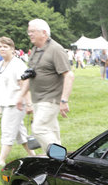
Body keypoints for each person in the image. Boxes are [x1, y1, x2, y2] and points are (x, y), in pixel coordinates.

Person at [14, 19, 74, 153]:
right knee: (51, 130)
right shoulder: (36, 50)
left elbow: (69, 75)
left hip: (50, 98)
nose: (29, 34)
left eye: (32, 31)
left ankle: (60, 156)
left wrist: (64, 100)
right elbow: (31, 75)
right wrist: (21, 96)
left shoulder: (55, 49)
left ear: (44, 33)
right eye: (28, 31)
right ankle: (55, 161)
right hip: (37, 99)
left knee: (39, 128)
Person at [0, 37, 36, 166]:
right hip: (4, 103)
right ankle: (32, 155)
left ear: (12, 49)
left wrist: (29, 104)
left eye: (6, 47)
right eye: (0, 46)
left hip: (16, 104)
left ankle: (1, 160)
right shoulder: (0, 64)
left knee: (7, 130)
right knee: (20, 133)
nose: (2, 49)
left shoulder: (18, 64)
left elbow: (24, 84)